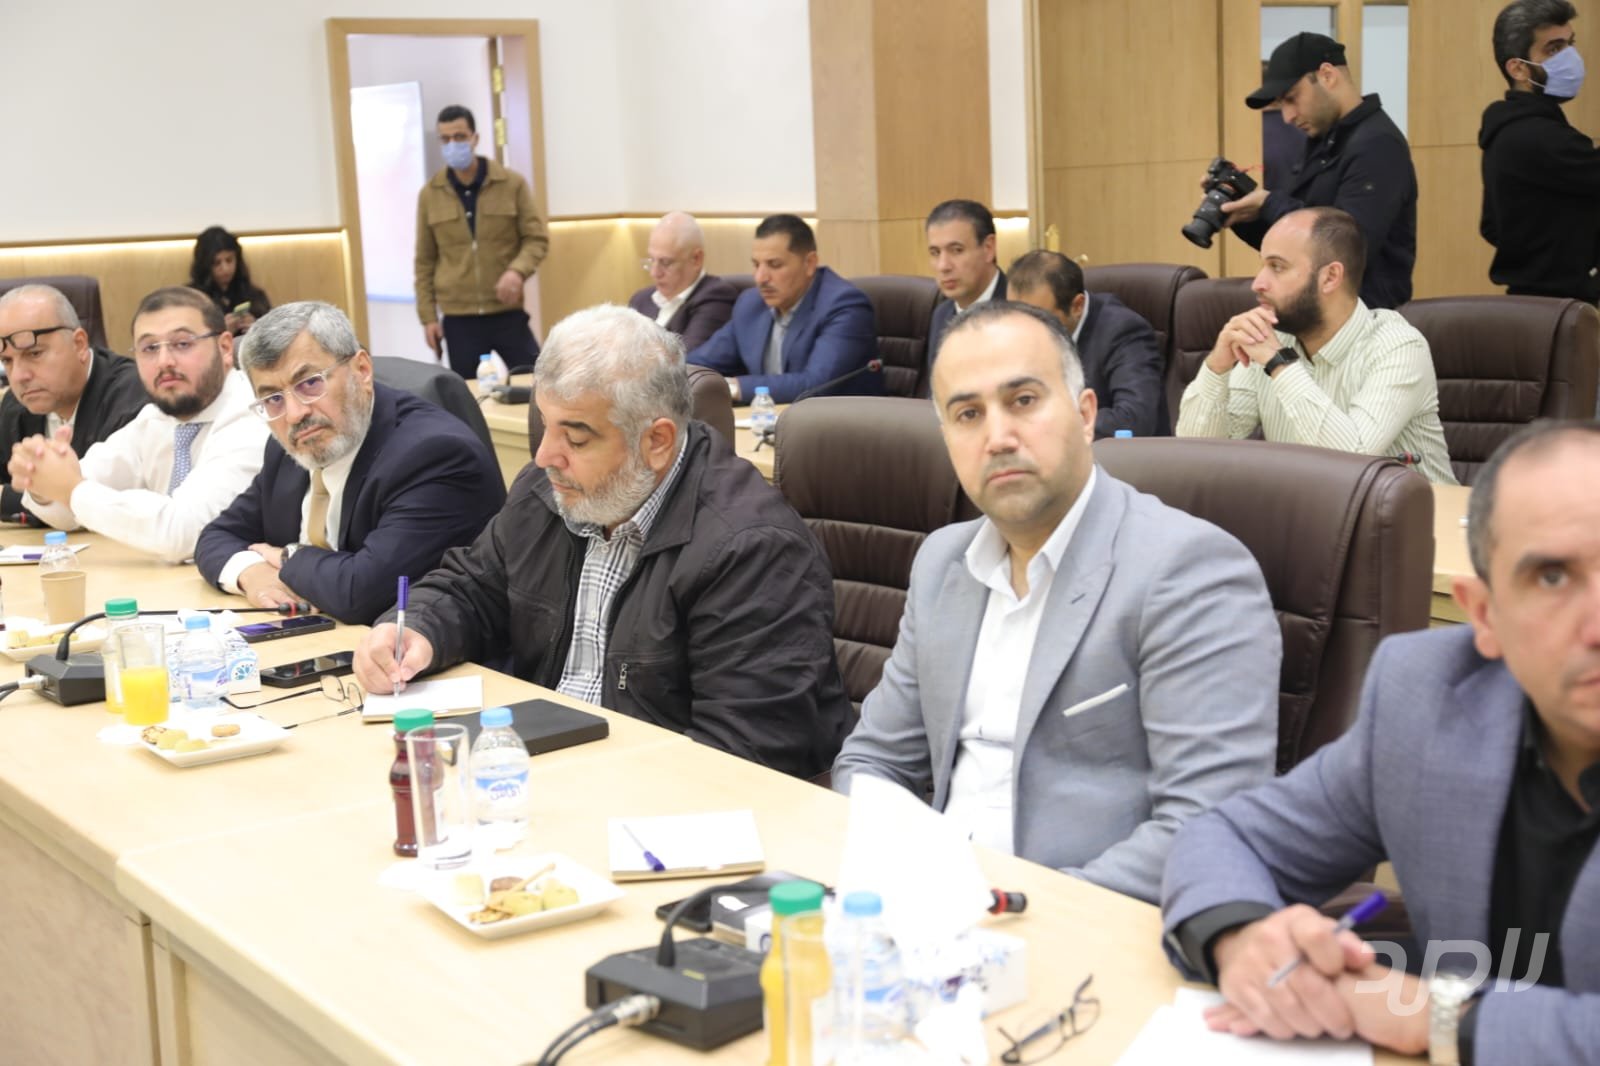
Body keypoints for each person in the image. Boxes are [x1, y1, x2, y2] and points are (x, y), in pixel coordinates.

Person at [1160, 421, 1600, 1066]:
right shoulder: (1429, 694)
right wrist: (1242, 935)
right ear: (1485, 615)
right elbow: (1232, 836)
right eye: (1553, 577)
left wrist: (1437, 1017)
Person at [830, 301, 1280, 903]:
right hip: (929, 910)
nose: (998, 438)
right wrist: (906, 876)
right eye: (968, 414)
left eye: (1023, 401)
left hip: (1084, 922)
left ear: (1086, 414)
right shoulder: (943, 562)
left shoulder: (1188, 571)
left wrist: (1010, 911)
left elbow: (1206, 827)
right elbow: (872, 762)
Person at [353, 305, 852, 778]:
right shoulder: (547, 491)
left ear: (656, 441)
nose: (545, 456)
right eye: (545, 425)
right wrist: (417, 629)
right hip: (553, 767)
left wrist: (585, 793)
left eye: (575, 438)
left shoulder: (751, 549)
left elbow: (743, 757)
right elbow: (470, 587)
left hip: (662, 797)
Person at [194, 302, 505, 624]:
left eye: (310, 384)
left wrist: (287, 558)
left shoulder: (435, 455)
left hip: (415, 647)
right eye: (273, 399)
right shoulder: (288, 448)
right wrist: (252, 573)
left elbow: (361, 592)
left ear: (362, 370)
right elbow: (216, 535)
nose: (295, 414)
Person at [1176, 207, 1456, 485]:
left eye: (1277, 267)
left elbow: (1351, 459)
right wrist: (1217, 367)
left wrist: (1279, 364)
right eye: (1262, 265)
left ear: (1330, 277)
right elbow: (1196, 458)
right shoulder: (1272, 341)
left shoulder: (1398, 346)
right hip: (1308, 511)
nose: (1258, 283)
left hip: (1420, 513)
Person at [7, 287, 269, 563]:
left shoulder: (254, 416)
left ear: (225, 348)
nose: (164, 361)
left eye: (182, 344)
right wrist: (42, 481)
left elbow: (184, 533)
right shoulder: (155, 419)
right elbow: (70, 508)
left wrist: (71, 489)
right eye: (150, 348)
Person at [1219, 32, 1417, 309]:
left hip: (1362, 321)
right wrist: (1243, 214)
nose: (1287, 116)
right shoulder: (1323, 140)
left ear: (1327, 76)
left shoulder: (1377, 145)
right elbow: (1299, 248)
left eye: (1292, 98)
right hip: (1316, 314)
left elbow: (1347, 247)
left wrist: (1270, 203)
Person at [414, 104, 549, 379]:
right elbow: (424, 261)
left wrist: (516, 272)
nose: (453, 144)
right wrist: (428, 317)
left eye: (459, 137)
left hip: (507, 312)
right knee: (468, 394)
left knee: (538, 380)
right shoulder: (430, 194)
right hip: (459, 318)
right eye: (445, 139)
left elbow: (536, 239)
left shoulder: (511, 184)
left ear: (475, 138)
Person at [687, 214, 880, 404]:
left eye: (774, 265)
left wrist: (733, 387)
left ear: (809, 263)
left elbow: (815, 385)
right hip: (765, 419)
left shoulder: (845, 306)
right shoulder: (751, 304)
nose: (761, 278)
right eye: (756, 265)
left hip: (838, 421)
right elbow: (701, 363)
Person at [1481, 1, 1600, 303]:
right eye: (1554, 49)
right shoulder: (1539, 137)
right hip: (1560, 307)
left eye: (1570, 44)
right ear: (1518, 68)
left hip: (1534, 303)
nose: (1570, 57)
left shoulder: (1503, 132)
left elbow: (1491, 226)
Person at [0, 285, 148, 518]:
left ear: (79, 344)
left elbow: (103, 501)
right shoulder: (15, 407)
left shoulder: (132, 396)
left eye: (34, 354)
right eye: (7, 361)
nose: (19, 376)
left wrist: (7, 499)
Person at [1008, 250, 1167, 437]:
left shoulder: (1123, 331)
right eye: (1017, 317)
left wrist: (1048, 420)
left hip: (1114, 454)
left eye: (1039, 318)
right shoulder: (1017, 334)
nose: (1026, 331)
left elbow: (1132, 420)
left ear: (1077, 306)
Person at [626, 212, 738, 352]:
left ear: (696, 259)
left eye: (666, 262)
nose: (654, 273)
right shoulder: (641, 299)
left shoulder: (716, 298)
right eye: (652, 260)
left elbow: (685, 358)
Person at [926, 198, 1008, 352]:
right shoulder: (941, 315)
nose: (943, 266)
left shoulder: (1022, 312)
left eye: (957, 250)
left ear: (988, 248)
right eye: (935, 253)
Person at [189, 226, 272, 336]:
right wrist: (221, 332)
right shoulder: (191, 298)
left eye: (229, 260)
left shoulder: (255, 295)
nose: (225, 268)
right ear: (204, 266)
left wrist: (256, 328)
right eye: (216, 263)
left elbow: (273, 336)